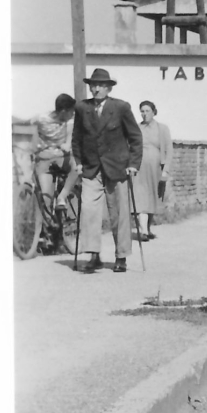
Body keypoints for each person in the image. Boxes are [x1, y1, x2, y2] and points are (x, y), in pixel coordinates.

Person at [71, 69, 142, 273]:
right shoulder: (82, 108)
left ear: (109, 88)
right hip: (91, 168)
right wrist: (77, 161)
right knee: (89, 212)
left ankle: (121, 257)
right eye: (93, 85)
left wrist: (133, 164)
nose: (96, 89)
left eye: (101, 85)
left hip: (117, 168)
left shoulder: (120, 107)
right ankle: (94, 256)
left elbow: (135, 138)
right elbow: (76, 138)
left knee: (118, 213)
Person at [27, 93, 79, 211]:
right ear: (63, 111)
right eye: (71, 111)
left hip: (62, 158)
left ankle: (62, 196)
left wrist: (67, 144)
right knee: (46, 198)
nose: (73, 114)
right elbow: (28, 124)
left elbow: (70, 135)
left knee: (77, 167)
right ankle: (49, 225)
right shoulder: (42, 118)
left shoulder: (70, 121)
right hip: (45, 159)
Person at [136, 101, 172, 240]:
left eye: (147, 111)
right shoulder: (137, 128)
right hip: (139, 168)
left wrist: (166, 170)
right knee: (141, 196)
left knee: (153, 197)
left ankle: (148, 228)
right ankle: (143, 230)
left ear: (154, 112)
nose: (144, 114)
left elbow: (169, 150)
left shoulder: (162, 128)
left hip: (156, 168)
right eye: (142, 111)